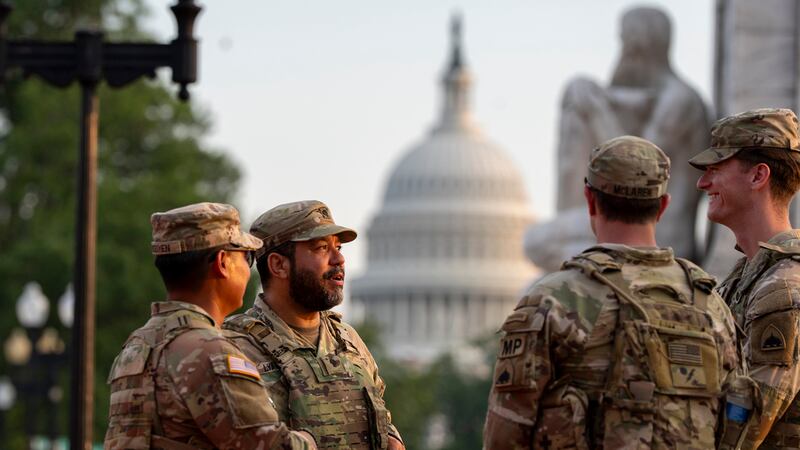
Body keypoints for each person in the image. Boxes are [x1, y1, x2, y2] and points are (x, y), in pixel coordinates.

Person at [483, 136, 739, 449]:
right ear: (663, 206)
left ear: (590, 200)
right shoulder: (710, 303)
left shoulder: (554, 299)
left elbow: (507, 433)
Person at [104, 202, 316, 450]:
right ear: (223, 262)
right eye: (246, 257)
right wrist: (308, 441)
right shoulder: (209, 351)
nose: (249, 272)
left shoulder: (136, 346)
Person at [224, 200, 404, 450]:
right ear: (279, 265)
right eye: (321, 248)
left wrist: (392, 439)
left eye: (338, 247)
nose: (339, 259)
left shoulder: (348, 340)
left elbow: (381, 418)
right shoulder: (235, 348)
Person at [691, 107, 800, 449]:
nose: (702, 182)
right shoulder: (748, 276)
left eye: (716, 169)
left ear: (758, 176)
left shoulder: (783, 287)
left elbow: (743, 427)